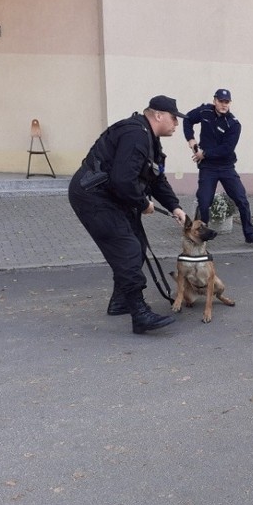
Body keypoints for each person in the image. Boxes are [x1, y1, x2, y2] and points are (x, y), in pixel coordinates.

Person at [68, 95, 188, 335]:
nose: (176, 124)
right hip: (94, 197)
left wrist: (174, 206)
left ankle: (120, 301)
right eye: (174, 118)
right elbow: (123, 180)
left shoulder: (149, 139)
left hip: (110, 196)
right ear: (158, 115)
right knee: (128, 249)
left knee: (137, 244)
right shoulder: (135, 135)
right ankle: (139, 314)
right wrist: (143, 203)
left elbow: (155, 177)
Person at [183, 89, 253, 245]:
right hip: (208, 168)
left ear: (229, 103)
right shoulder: (205, 111)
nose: (224, 105)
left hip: (226, 167)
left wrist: (204, 154)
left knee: (242, 200)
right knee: (204, 202)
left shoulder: (233, 124)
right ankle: (200, 236)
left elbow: (227, 148)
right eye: (221, 101)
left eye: (227, 102)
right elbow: (187, 119)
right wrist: (190, 139)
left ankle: (250, 235)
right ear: (215, 101)